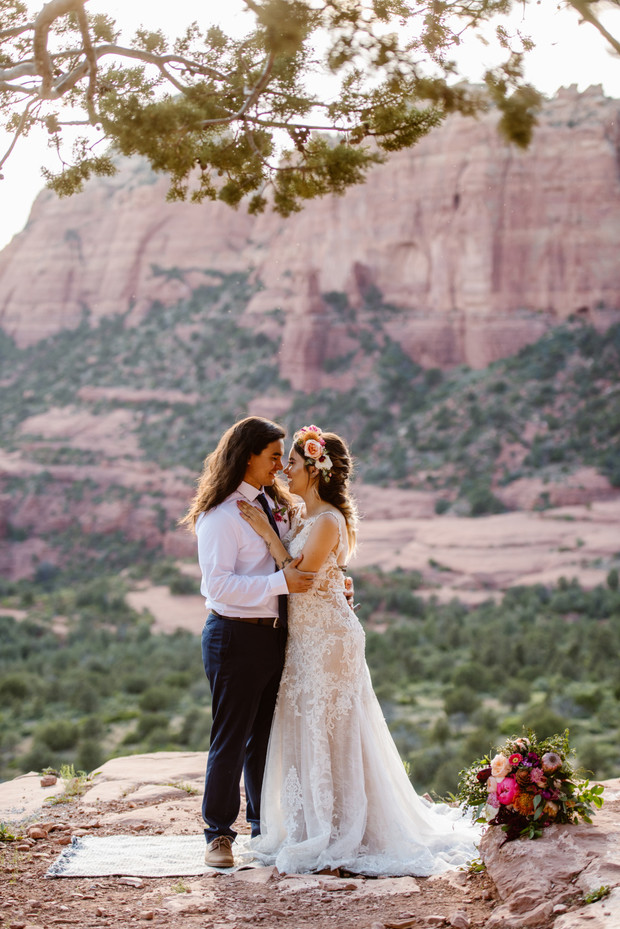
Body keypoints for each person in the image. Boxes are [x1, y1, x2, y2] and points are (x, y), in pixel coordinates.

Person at [237, 424, 482, 876]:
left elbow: (302, 576)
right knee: (307, 722)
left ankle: (347, 827)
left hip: (330, 639)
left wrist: (265, 534)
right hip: (305, 639)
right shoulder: (303, 515)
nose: (285, 469)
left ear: (314, 469)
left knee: (334, 725)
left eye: (292, 462)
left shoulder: (328, 520)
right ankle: (313, 823)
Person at [180, 416, 316, 868]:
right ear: (248, 457)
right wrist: (281, 584)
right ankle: (217, 834)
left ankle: (262, 828)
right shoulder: (220, 517)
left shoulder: (269, 505)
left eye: (283, 458)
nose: (280, 465)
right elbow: (219, 588)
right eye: (274, 456)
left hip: (273, 636)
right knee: (231, 737)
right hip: (234, 636)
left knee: (264, 737)